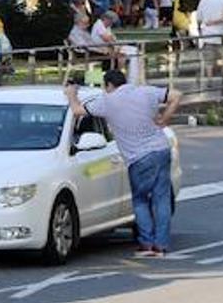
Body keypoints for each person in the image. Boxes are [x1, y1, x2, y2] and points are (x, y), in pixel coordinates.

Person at [65, 70, 182, 257]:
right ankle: (161, 245)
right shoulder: (146, 91)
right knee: (161, 199)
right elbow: (176, 96)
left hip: (138, 157)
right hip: (161, 149)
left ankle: (146, 244)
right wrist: (164, 120)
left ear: (109, 85)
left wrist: (71, 94)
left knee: (141, 200)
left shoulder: (107, 101)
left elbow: (78, 110)